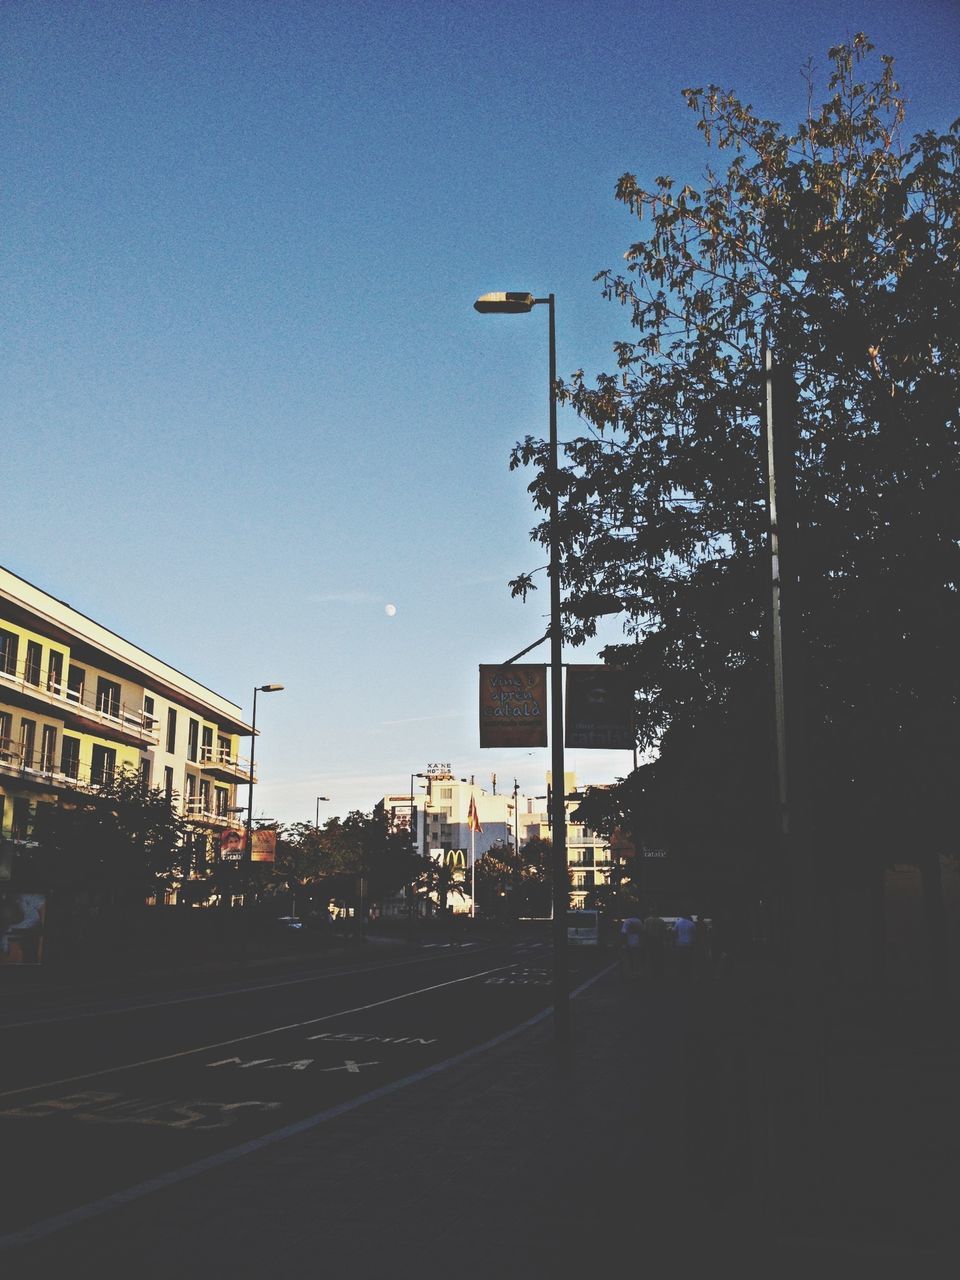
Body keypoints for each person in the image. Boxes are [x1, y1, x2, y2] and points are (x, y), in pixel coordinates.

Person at [642, 907, 667, 979]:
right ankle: (658, 970)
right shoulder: (661, 921)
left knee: (650, 955)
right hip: (659, 939)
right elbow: (664, 931)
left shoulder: (646, 921)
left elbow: (644, 931)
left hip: (650, 940)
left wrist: (644, 941)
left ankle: (651, 971)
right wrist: (665, 941)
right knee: (658, 955)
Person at [619, 911, 644, 978]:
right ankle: (637, 973)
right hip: (637, 943)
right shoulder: (639, 921)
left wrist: (623, 944)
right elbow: (642, 933)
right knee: (637, 959)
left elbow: (624, 933)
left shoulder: (627, 921)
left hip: (629, 943)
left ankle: (630, 974)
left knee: (628, 960)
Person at [672, 913, 697, 978]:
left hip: (680, 943)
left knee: (680, 960)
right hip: (689, 944)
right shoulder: (691, 923)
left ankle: (681, 974)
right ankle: (688, 974)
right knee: (688, 960)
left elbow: (674, 932)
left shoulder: (678, 922)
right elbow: (694, 933)